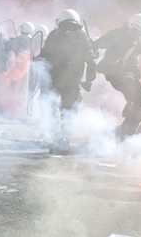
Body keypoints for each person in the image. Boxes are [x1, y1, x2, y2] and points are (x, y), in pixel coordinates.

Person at [34, 9, 97, 155]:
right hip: (73, 82)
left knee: (48, 108)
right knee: (68, 112)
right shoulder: (83, 37)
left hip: (53, 81)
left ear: (61, 20)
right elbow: (92, 62)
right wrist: (88, 81)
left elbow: (44, 57)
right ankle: (64, 143)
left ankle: (55, 139)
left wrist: (36, 63)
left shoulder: (54, 35)